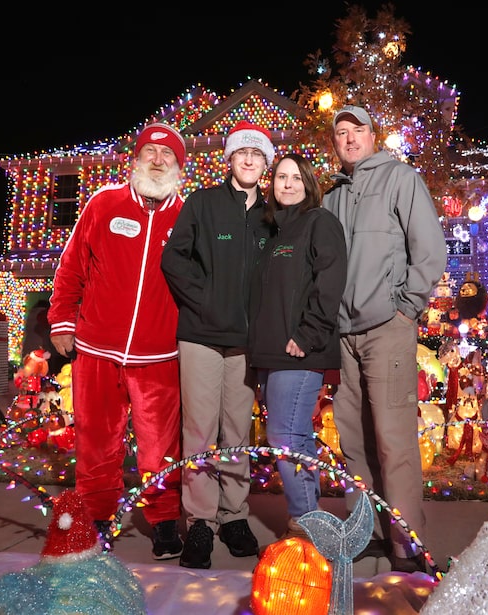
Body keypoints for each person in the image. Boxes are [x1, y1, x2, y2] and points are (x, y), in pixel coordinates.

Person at [47, 123, 187, 560]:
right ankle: (97, 515)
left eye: (168, 156)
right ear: (136, 159)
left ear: (180, 167)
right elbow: (72, 266)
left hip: (160, 353)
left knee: (160, 448)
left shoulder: (189, 217)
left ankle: (163, 520)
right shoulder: (103, 204)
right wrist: (62, 322)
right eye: (151, 153)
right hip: (96, 348)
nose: (158, 161)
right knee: (96, 440)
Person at [322, 105, 447, 573]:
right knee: (353, 440)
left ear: (374, 135)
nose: (350, 139)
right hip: (344, 334)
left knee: (394, 439)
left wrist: (405, 306)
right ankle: (369, 533)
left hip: (387, 327)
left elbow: (429, 250)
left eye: (358, 131)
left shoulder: (400, 179)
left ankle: (408, 543)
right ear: (334, 142)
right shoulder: (332, 196)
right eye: (341, 132)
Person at [161, 120, 277, 569]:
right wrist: (206, 302)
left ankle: (234, 516)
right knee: (200, 431)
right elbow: (175, 258)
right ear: (229, 158)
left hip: (247, 343)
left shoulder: (272, 216)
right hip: (202, 337)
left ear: (265, 163)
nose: (249, 160)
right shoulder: (204, 203)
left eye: (257, 154)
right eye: (241, 153)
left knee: (237, 432)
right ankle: (202, 525)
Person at [248, 153, 347, 540]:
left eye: (295, 177)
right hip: (271, 354)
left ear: (308, 183)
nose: (287, 184)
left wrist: (309, 334)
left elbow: (330, 281)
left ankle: (305, 523)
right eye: (280, 178)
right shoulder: (274, 233)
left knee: (284, 438)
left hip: (301, 350)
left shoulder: (319, 222)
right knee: (295, 437)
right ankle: (313, 519)